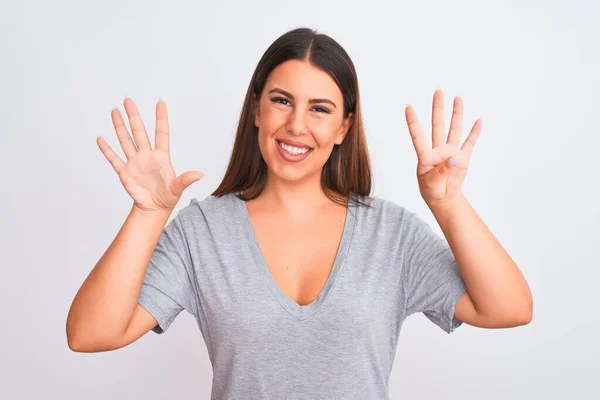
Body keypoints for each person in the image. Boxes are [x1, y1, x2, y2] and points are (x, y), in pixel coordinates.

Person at [66, 27, 533, 398]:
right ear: (256, 110)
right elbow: (89, 334)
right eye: (281, 100)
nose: (296, 125)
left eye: (320, 109)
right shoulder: (201, 232)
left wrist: (447, 203)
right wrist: (148, 214)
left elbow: (509, 308)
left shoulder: (391, 235)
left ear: (344, 127)